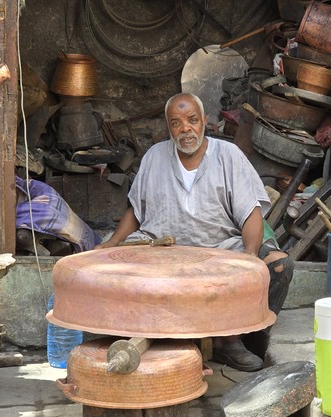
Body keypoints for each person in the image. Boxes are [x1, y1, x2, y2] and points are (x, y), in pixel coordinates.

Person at [95, 92, 294, 372]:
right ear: (168, 127)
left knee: (279, 266)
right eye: (176, 123)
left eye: (192, 120)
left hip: (221, 248)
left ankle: (236, 341)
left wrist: (249, 255)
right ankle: (142, 337)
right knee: (105, 266)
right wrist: (113, 242)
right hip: (163, 251)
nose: (185, 129)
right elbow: (136, 211)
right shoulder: (154, 157)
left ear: (205, 122)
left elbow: (251, 212)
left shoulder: (228, 156)